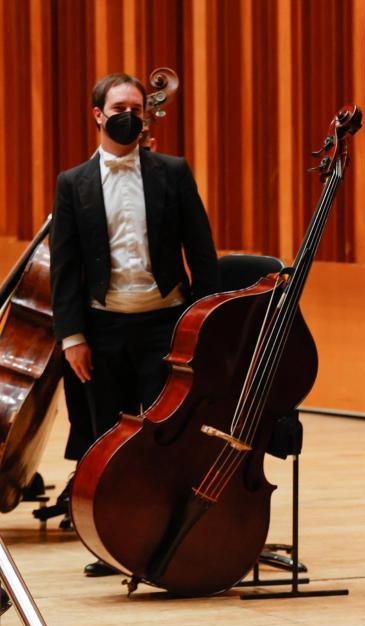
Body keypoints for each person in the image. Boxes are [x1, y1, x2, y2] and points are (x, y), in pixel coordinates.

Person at [49, 72, 219, 575]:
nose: (130, 115)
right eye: (120, 106)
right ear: (98, 114)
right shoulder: (72, 183)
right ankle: (111, 545)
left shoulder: (172, 171)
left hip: (164, 324)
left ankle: (163, 538)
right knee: (108, 439)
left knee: (163, 435)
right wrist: (72, 337)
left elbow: (202, 253)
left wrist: (206, 321)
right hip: (103, 330)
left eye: (137, 108)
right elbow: (65, 268)